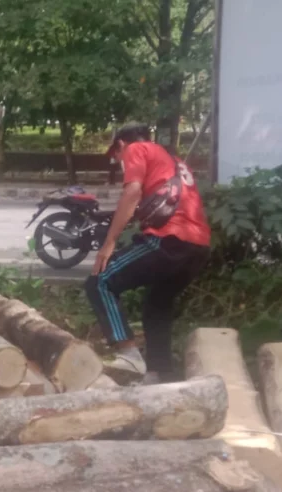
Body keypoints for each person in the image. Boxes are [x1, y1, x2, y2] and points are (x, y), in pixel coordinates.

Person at [85, 123, 211, 384]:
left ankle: (128, 353)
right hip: (197, 246)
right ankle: (159, 373)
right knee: (157, 305)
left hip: (169, 240)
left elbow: (132, 192)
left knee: (100, 280)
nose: (119, 161)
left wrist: (109, 242)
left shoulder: (136, 149)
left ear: (120, 145)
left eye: (115, 155)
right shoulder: (172, 160)